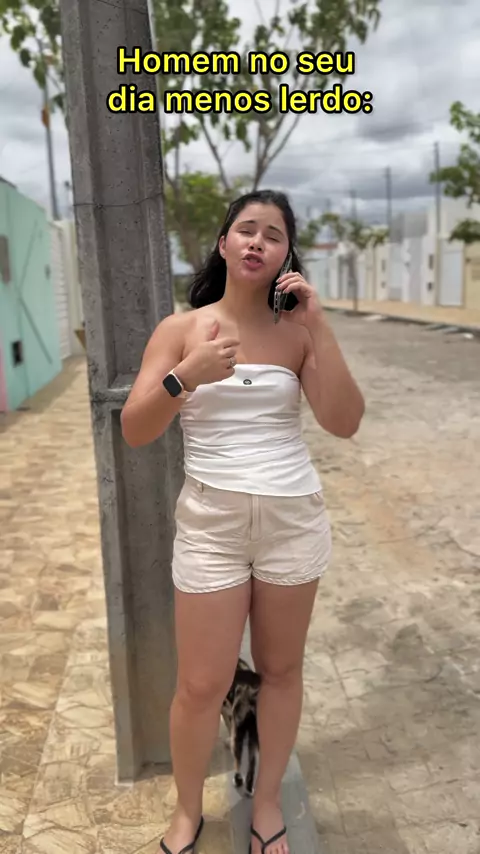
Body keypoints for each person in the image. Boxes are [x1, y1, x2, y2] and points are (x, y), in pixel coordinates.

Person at [121, 189, 365, 854]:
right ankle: (186, 812)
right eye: (247, 229)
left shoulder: (297, 334)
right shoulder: (181, 330)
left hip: (292, 524)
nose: (258, 241)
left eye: (274, 234)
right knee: (202, 684)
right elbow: (136, 429)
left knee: (281, 672)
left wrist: (319, 325)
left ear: (287, 255)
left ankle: (266, 803)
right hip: (212, 528)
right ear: (224, 243)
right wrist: (187, 376)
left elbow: (344, 421)